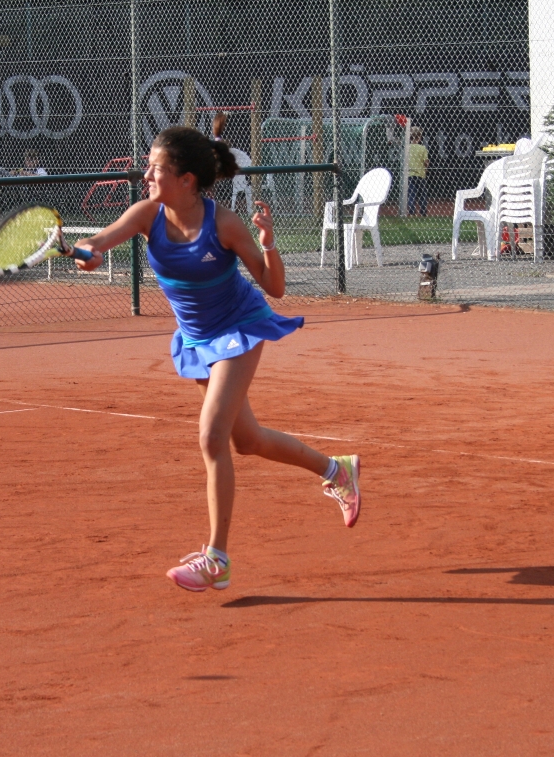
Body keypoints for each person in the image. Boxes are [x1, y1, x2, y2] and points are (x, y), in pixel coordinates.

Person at [72, 117, 361, 593]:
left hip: (238, 328)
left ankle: (217, 559)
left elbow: (274, 287)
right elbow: (100, 240)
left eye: (156, 168)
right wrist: (88, 251)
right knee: (246, 441)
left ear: (186, 180)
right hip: (197, 338)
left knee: (211, 436)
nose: (146, 175)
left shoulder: (223, 223)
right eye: (148, 166)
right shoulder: (147, 214)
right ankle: (337, 471)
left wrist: (268, 244)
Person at [406, 126, 429, 216]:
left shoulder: (407, 148)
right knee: (422, 194)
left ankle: (412, 211)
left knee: (411, 193)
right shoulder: (422, 148)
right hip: (420, 174)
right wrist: (426, 168)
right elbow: (426, 162)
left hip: (410, 174)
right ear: (419, 137)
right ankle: (423, 211)